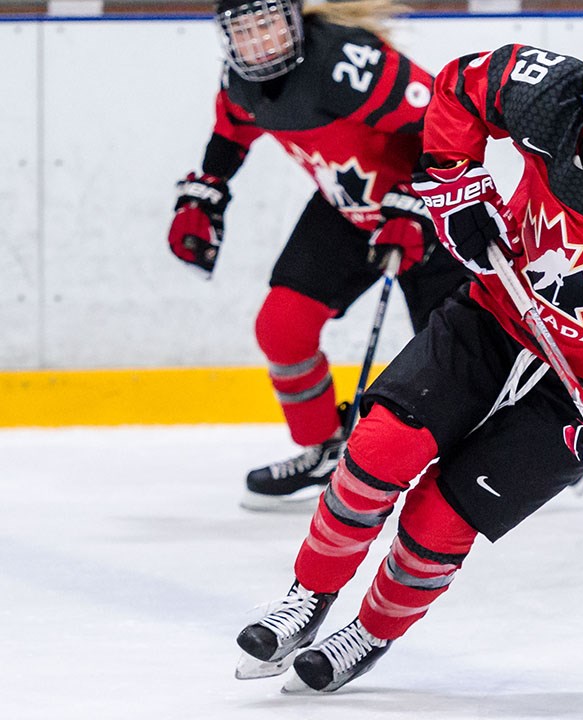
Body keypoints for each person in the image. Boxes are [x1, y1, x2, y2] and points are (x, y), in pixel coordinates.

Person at [233, 1, 583, 693]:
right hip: (499, 310)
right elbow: (460, 86)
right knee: (376, 449)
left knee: (442, 513)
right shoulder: (547, 92)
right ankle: (307, 598)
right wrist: (454, 181)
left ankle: (368, 633)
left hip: (581, 382)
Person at [167, 0, 467, 511]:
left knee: (460, 358)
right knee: (282, 327)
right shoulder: (241, 79)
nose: (258, 42)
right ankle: (326, 449)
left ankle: (520, 446)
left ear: (295, 19)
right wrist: (208, 188)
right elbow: (232, 129)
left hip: (434, 211)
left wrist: (417, 198)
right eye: (244, 31)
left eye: (268, 25)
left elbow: (444, 119)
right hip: (346, 209)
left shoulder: (345, 60)